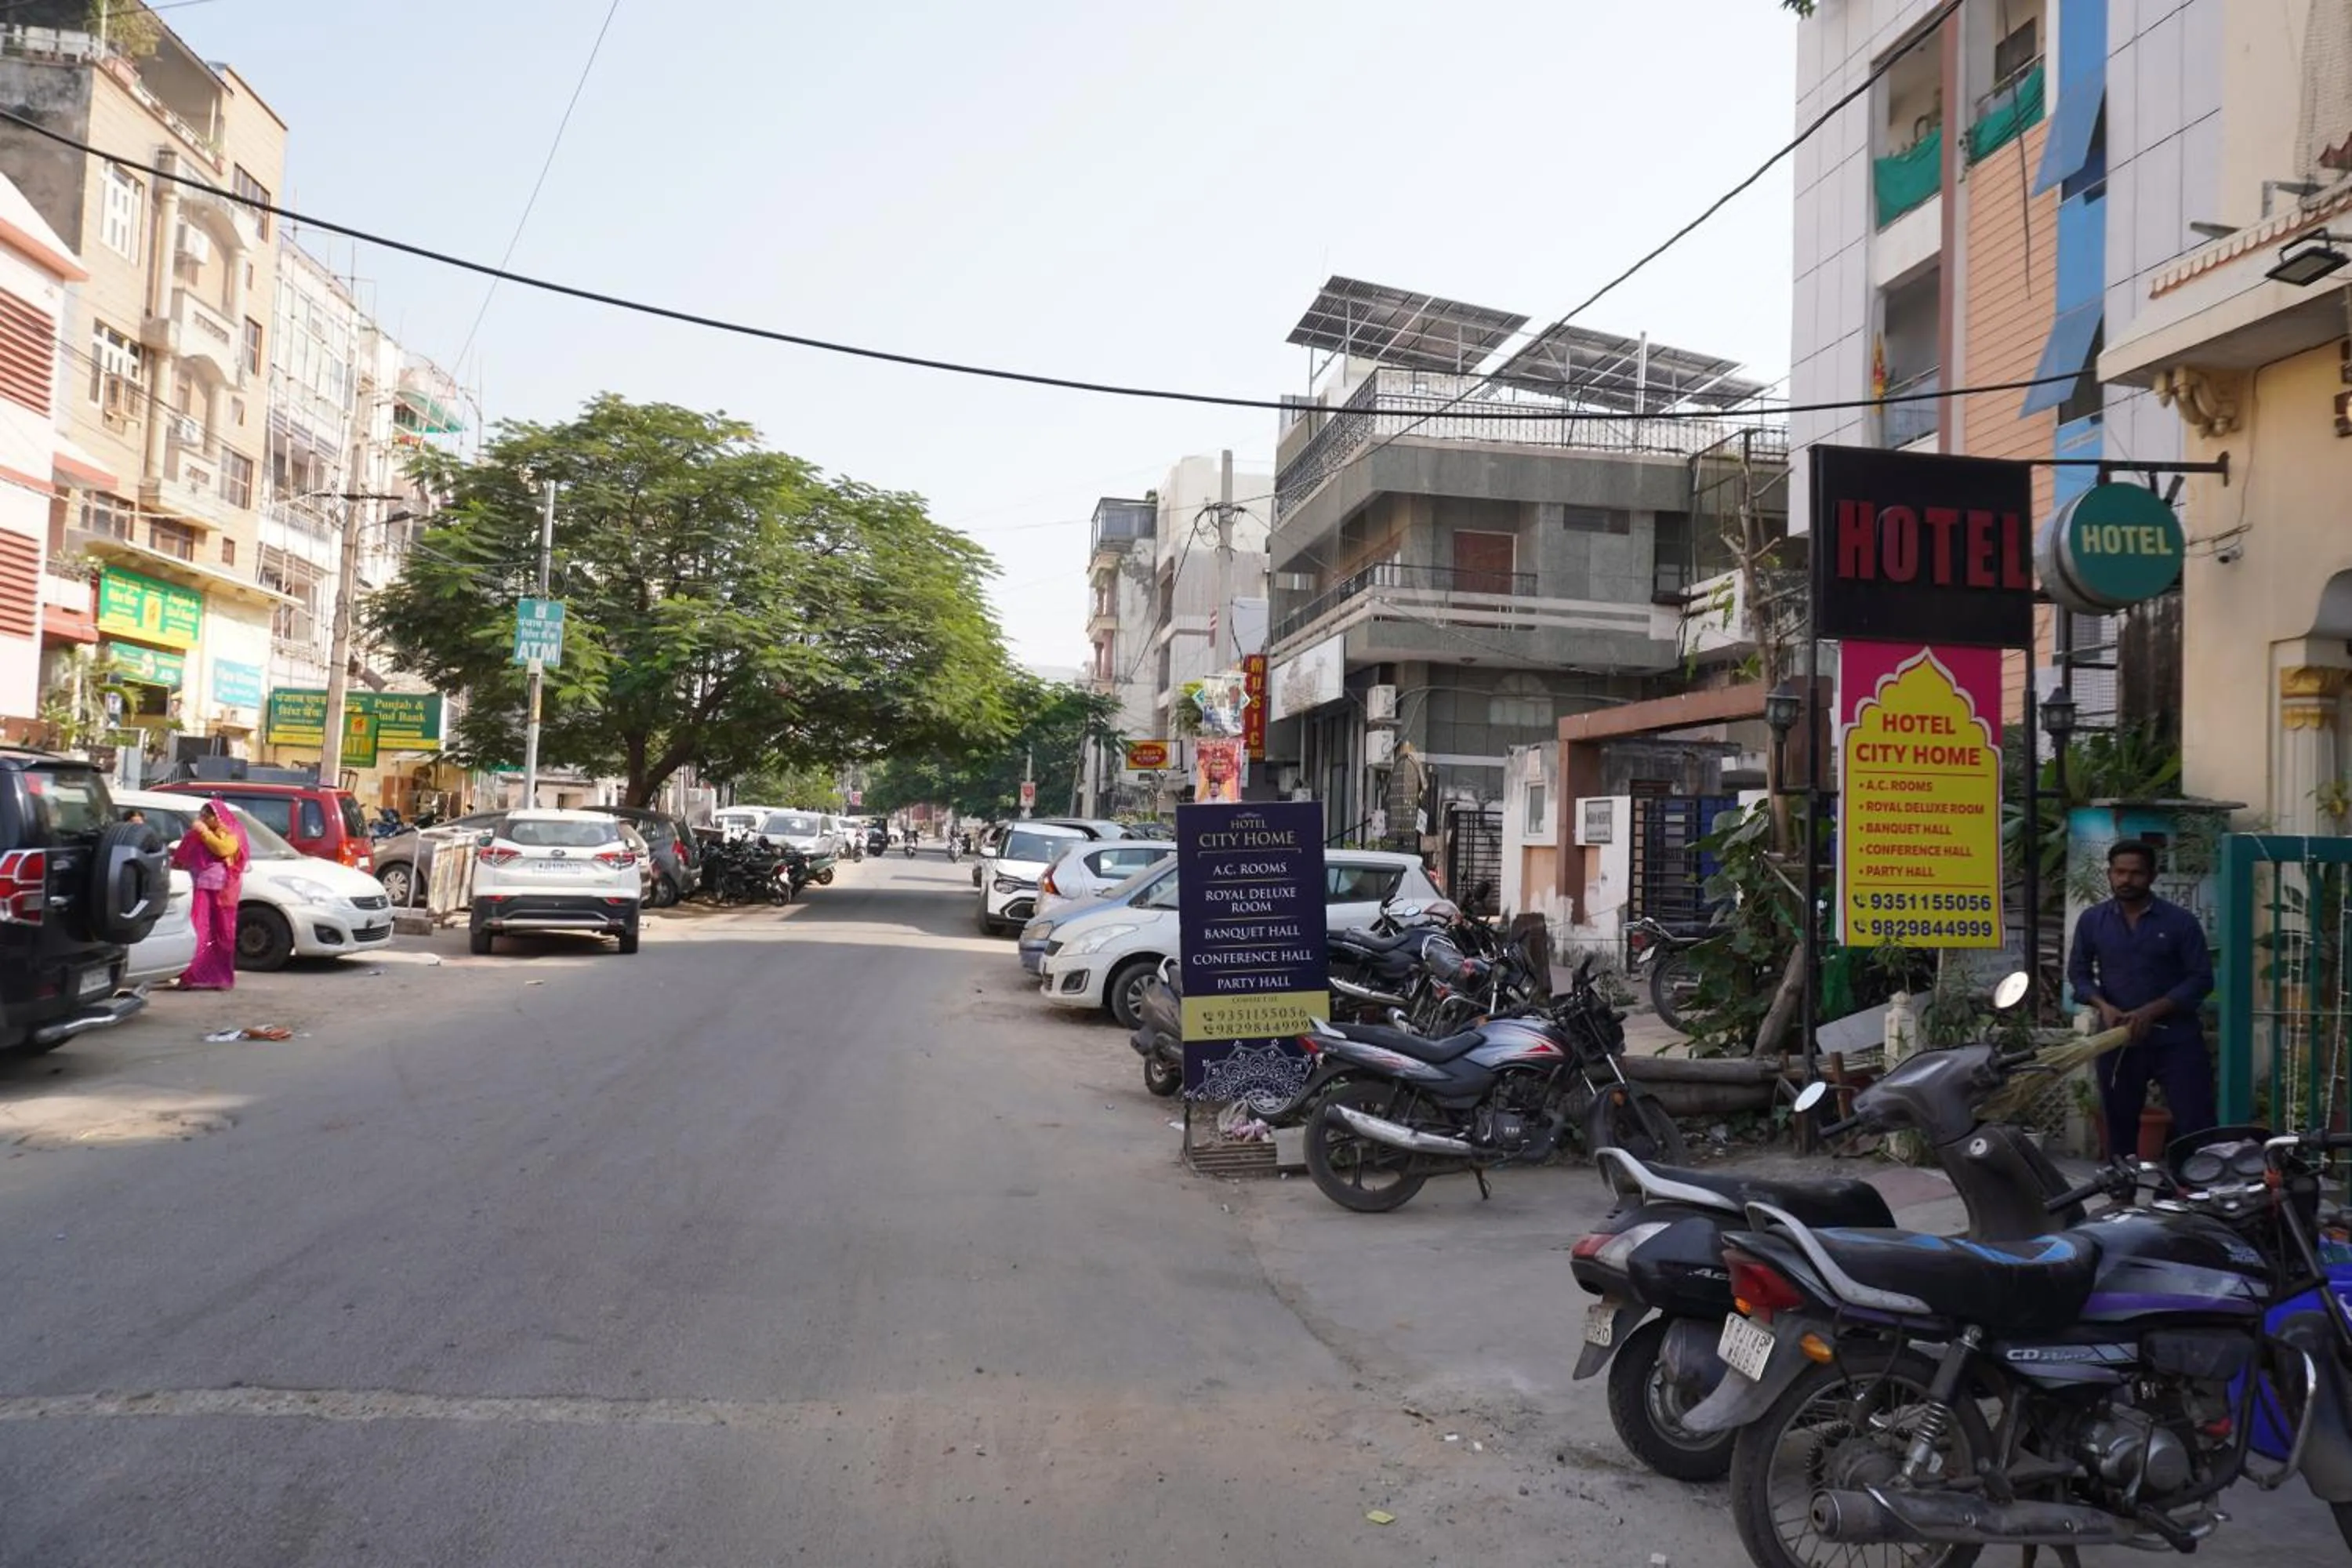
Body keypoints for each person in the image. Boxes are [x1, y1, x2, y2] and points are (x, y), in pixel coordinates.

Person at [2067, 838, 2216, 1160]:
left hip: (2176, 1039)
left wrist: (2151, 1011)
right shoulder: (2093, 920)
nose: (2126, 880)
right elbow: (2078, 974)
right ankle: (2123, 1187)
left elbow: (2201, 979)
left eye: (2135, 873)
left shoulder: (2180, 922)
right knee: (2119, 1126)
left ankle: (2193, 1185)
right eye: (2119, 872)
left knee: (2196, 1123)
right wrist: (2104, 1006)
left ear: (2151, 876)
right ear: (2110, 874)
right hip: (2118, 1038)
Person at [170, 799, 249, 991]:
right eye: (202, 815)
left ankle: (220, 977)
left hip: (222, 892)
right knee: (199, 930)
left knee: (222, 933)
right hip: (200, 888)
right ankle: (192, 976)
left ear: (218, 817)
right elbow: (182, 855)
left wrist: (205, 833)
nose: (204, 819)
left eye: (208, 816)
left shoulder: (230, 832)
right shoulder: (195, 835)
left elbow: (224, 849)